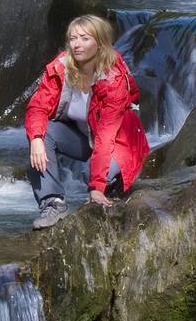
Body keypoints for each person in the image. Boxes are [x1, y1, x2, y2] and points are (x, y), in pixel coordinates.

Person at [23, 14, 149, 230]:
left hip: (120, 141)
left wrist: (96, 187)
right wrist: (35, 139)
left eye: (84, 38)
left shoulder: (113, 78)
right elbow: (37, 106)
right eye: (73, 39)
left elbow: (107, 134)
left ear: (99, 43)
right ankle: (53, 203)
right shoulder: (61, 68)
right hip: (83, 137)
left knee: (89, 174)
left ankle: (111, 187)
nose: (77, 44)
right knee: (43, 135)